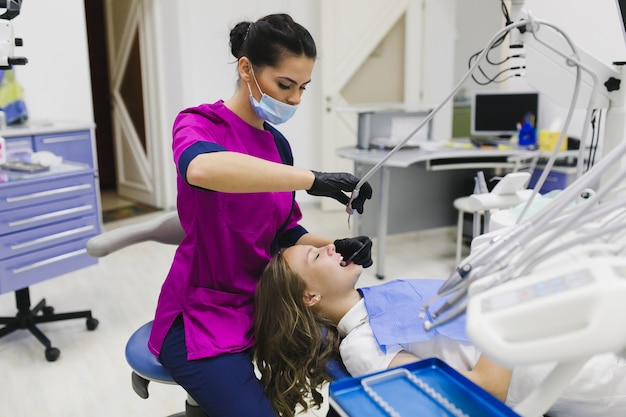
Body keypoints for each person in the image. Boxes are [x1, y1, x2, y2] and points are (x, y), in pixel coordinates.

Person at [147, 14, 373, 417]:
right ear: (246, 68)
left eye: (302, 88)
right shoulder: (200, 124)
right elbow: (201, 169)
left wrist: (335, 247)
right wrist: (311, 179)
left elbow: (285, 232)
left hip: (266, 301)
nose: (295, 100)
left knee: (359, 374)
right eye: (285, 85)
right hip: (201, 315)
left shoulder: (276, 145)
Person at [254, 243, 626, 417]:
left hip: (570, 332)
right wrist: (506, 311)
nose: (330, 246)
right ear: (311, 297)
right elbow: (481, 392)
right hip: (587, 375)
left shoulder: (382, 294)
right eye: (316, 255)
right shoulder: (362, 348)